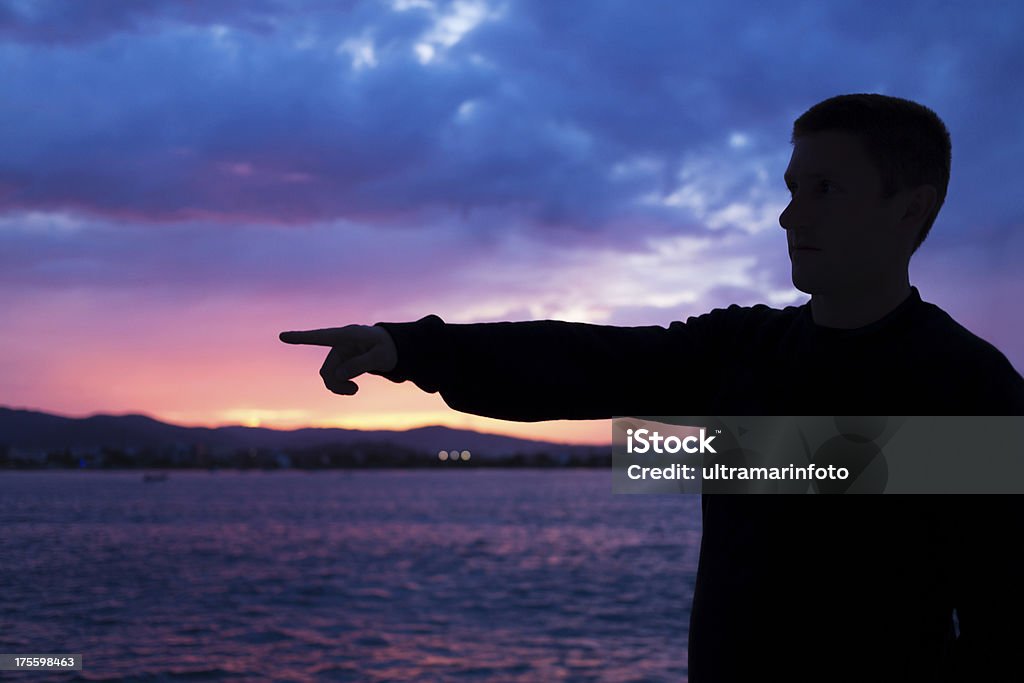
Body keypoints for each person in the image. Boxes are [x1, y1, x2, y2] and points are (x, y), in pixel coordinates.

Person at [281, 94, 1024, 681]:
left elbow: (1001, 628)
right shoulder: (743, 348)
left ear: (910, 208)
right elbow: (585, 361)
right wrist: (409, 347)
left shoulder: (972, 389)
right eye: (793, 188)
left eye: (824, 188)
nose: (789, 214)